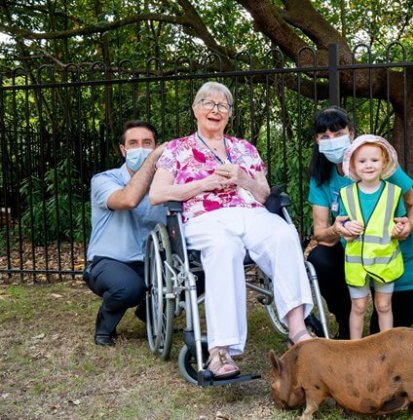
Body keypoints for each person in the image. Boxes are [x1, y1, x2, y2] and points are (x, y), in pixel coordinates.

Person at [149, 81, 313, 379]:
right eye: (208, 103)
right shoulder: (176, 149)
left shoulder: (244, 149)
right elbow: (157, 195)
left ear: (229, 114)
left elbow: (264, 195)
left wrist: (243, 179)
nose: (215, 109)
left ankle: (298, 330)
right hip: (204, 216)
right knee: (225, 248)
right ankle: (220, 349)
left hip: (249, 212)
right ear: (195, 109)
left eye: (223, 105)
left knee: (284, 234)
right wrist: (204, 184)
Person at [307, 106, 413, 340]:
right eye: (324, 137)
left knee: (383, 330)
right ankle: (345, 319)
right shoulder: (321, 177)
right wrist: (337, 229)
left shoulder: (379, 165)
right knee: (320, 257)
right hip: (356, 258)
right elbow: (320, 233)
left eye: (338, 134)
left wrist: (408, 226)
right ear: (317, 141)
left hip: (394, 255)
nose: (332, 141)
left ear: (351, 134)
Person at [84, 120, 167, 346]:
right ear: (123, 150)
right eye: (133, 143)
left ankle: (148, 311)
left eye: (147, 143)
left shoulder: (165, 183)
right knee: (128, 288)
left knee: (199, 273)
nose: (140, 148)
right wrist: (153, 160)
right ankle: (104, 327)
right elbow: (128, 199)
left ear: (155, 145)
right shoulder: (105, 180)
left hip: (150, 262)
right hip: (109, 262)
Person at [338, 135, 407, 338]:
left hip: (384, 261)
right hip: (357, 264)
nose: (368, 165)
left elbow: (401, 222)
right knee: (358, 307)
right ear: (353, 165)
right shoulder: (346, 193)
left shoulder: (394, 192)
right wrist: (347, 227)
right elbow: (341, 223)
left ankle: (387, 347)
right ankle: (355, 347)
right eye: (362, 161)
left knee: (384, 305)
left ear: (384, 162)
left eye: (374, 160)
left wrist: (399, 229)